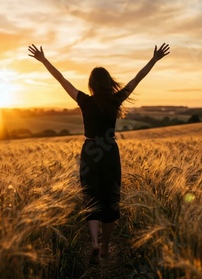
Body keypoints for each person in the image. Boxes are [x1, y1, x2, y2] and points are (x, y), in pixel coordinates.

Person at [28, 43, 170, 264]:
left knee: (91, 196)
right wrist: (153, 60)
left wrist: (44, 60)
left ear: (91, 85)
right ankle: (104, 247)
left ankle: (94, 242)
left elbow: (62, 80)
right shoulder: (115, 100)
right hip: (110, 151)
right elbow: (136, 80)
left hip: (90, 151)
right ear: (108, 83)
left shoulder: (85, 100)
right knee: (110, 199)